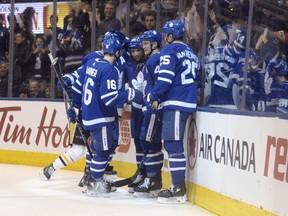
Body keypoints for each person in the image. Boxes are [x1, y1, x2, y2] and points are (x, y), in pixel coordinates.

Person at [69, 33, 143, 196]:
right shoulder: (108, 69)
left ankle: (92, 179)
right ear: (117, 52)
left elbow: (77, 85)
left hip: (90, 116)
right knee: (103, 151)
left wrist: (75, 107)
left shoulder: (93, 64)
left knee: (98, 149)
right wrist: (130, 93)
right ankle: (94, 183)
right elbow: (109, 98)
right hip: (100, 117)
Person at [144, 20, 199, 204]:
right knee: (172, 144)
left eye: (166, 35)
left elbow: (165, 78)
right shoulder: (192, 53)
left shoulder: (169, 50)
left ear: (170, 36)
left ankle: (178, 189)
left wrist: (153, 95)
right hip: (187, 100)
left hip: (176, 102)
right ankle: (178, 186)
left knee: (173, 145)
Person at [133, 30, 164, 197]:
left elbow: (161, 84)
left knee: (150, 143)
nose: (142, 46)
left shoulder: (156, 59)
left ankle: (153, 180)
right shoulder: (150, 60)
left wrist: (154, 104)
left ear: (155, 44)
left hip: (153, 108)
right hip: (149, 108)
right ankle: (154, 179)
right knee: (150, 143)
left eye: (146, 43)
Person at [124, 35, 147, 193]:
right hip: (135, 108)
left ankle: (147, 174)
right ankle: (140, 171)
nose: (136, 53)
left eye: (138, 49)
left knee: (145, 141)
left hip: (147, 107)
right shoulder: (127, 65)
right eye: (133, 50)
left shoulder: (148, 62)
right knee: (137, 140)